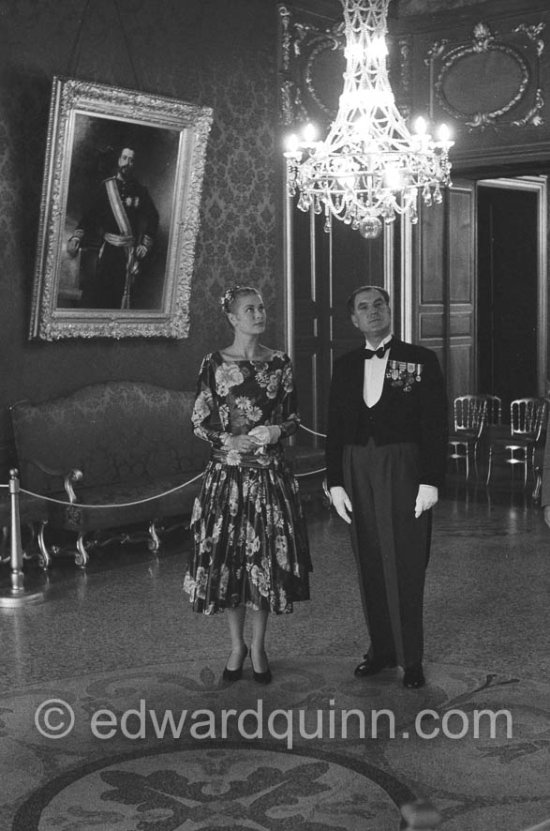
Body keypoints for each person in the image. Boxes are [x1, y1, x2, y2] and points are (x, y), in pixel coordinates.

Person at [183, 285, 312, 684]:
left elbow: (293, 417)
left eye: (261, 307)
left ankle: (258, 646)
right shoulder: (213, 363)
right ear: (233, 318)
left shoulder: (280, 363)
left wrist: (275, 430)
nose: (258, 314)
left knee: (264, 564)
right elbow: (199, 420)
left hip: (268, 477)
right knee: (231, 563)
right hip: (227, 478)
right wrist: (227, 440)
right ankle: (236, 645)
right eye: (249, 309)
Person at [325, 285, 447, 689]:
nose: (373, 312)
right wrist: (335, 482)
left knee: (407, 562)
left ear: (390, 311)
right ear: (354, 320)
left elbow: (434, 425)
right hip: (356, 465)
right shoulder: (343, 366)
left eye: (379, 304)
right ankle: (381, 651)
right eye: (363, 307)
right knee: (370, 561)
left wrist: (431, 480)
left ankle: (411, 660)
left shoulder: (420, 359)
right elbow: (334, 429)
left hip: (404, 468)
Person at [67, 146, 159, 309]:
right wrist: (76, 237)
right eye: (124, 158)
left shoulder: (140, 190)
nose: (127, 163)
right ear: (118, 160)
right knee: (102, 295)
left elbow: (153, 217)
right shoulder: (106, 187)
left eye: (131, 160)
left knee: (122, 297)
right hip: (108, 251)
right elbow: (90, 216)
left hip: (128, 254)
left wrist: (145, 245)